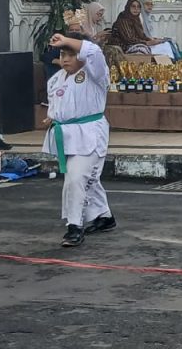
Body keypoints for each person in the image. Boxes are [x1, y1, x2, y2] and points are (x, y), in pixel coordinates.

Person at [43, 32, 116, 247]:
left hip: (89, 133)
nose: (65, 59)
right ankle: (104, 216)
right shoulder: (56, 79)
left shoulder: (96, 73)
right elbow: (57, 105)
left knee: (76, 178)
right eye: (62, 54)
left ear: (82, 55)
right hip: (66, 135)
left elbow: (94, 51)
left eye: (71, 54)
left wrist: (66, 40)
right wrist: (52, 117)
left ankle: (74, 226)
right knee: (87, 177)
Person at [109, 0, 177, 59]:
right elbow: (129, 39)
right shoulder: (123, 19)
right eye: (133, 6)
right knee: (142, 49)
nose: (136, 9)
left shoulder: (136, 19)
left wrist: (152, 40)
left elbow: (141, 35)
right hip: (123, 46)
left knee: (165, 45)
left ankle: (168, 65)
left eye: (138, 7)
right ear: (128, 7)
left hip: (135, 44)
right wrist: (147, 42)